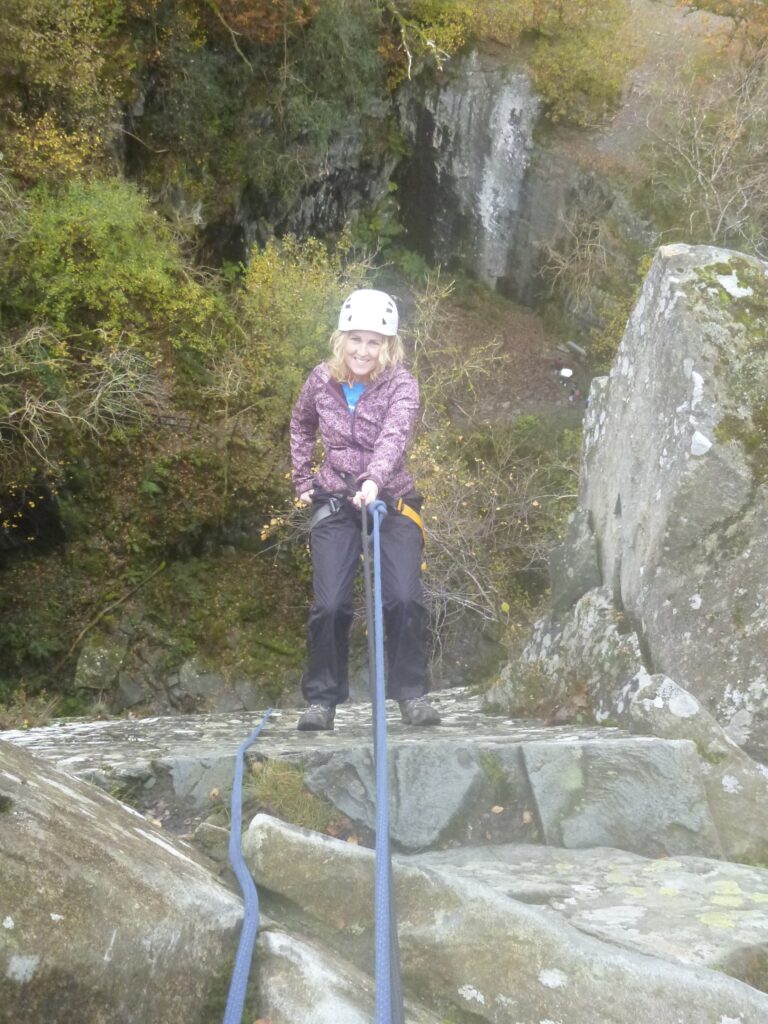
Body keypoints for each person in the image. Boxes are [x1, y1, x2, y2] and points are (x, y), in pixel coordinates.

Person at [290, 288, 440, 731]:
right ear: (342, 339)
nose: (363, 350)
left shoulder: (402, 384)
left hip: (391, 500)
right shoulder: (320, 380)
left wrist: (374, 479)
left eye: (374, 341)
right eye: (356, 339)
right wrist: (302, 480)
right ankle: (323, 701)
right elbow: (300, 424)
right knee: (331, 604)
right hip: (335, 498)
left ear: (388, 345)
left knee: (404, 598)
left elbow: (395, 435)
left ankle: (411, 694)